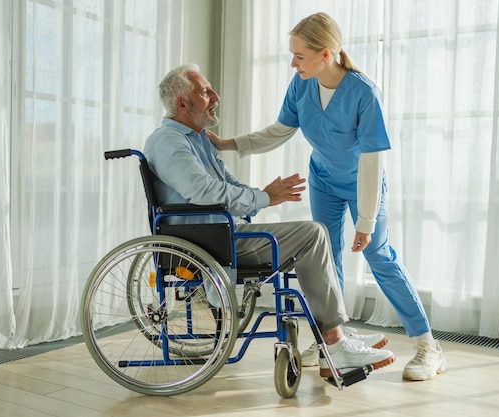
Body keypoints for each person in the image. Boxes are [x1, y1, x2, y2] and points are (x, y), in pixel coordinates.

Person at [207, 12, 447, 381]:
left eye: (299, 56)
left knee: (378, 255)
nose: (293, 62)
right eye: (292, 54)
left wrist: (365, 222)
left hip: (361, 183)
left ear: (326, 54)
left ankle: (428, 346)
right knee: (326, 257)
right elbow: (278, 131)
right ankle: (333, 340)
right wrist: (228, 144)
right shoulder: (301, 84)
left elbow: (373, 160)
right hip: (323, 181)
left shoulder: (363, 92)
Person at [143, 63, 395, 378]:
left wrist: (264, 195)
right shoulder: (168, 141)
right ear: (182, 104)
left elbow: (229, 186)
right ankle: (333, 341)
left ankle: (331, 336)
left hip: (221, 233)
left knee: (311, 235)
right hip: (206, 242)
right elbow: (205, 192)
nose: (215, 96)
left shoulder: (197, 140)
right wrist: (264, 197)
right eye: (205, 92)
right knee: (313, 234)